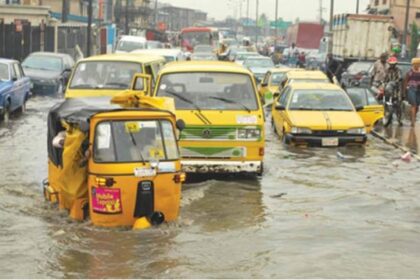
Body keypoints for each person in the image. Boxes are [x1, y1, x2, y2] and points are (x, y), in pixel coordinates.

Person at [385, 56, 403, 125]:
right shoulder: (387, 70)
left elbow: (400, 78)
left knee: (398, 105)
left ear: (396, 64)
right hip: (389, 90)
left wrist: (395, 82)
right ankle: (389, 118)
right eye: (391, 64)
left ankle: (399, 119)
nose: (392, 65)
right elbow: (385, 79)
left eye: (393, 64)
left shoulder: (398, 70)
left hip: (397, 90)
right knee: (389, 104)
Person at [403, 58, 420, 127]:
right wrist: (404, 92)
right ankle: (413, 121)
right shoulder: (409, 72)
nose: (417, 65)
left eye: (418, 64)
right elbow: (405, 81)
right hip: (411, 89)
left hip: (419, 90)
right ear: (413, 64)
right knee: (414, 105)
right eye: (415, 64)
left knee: (417, 107)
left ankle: (412, 116)